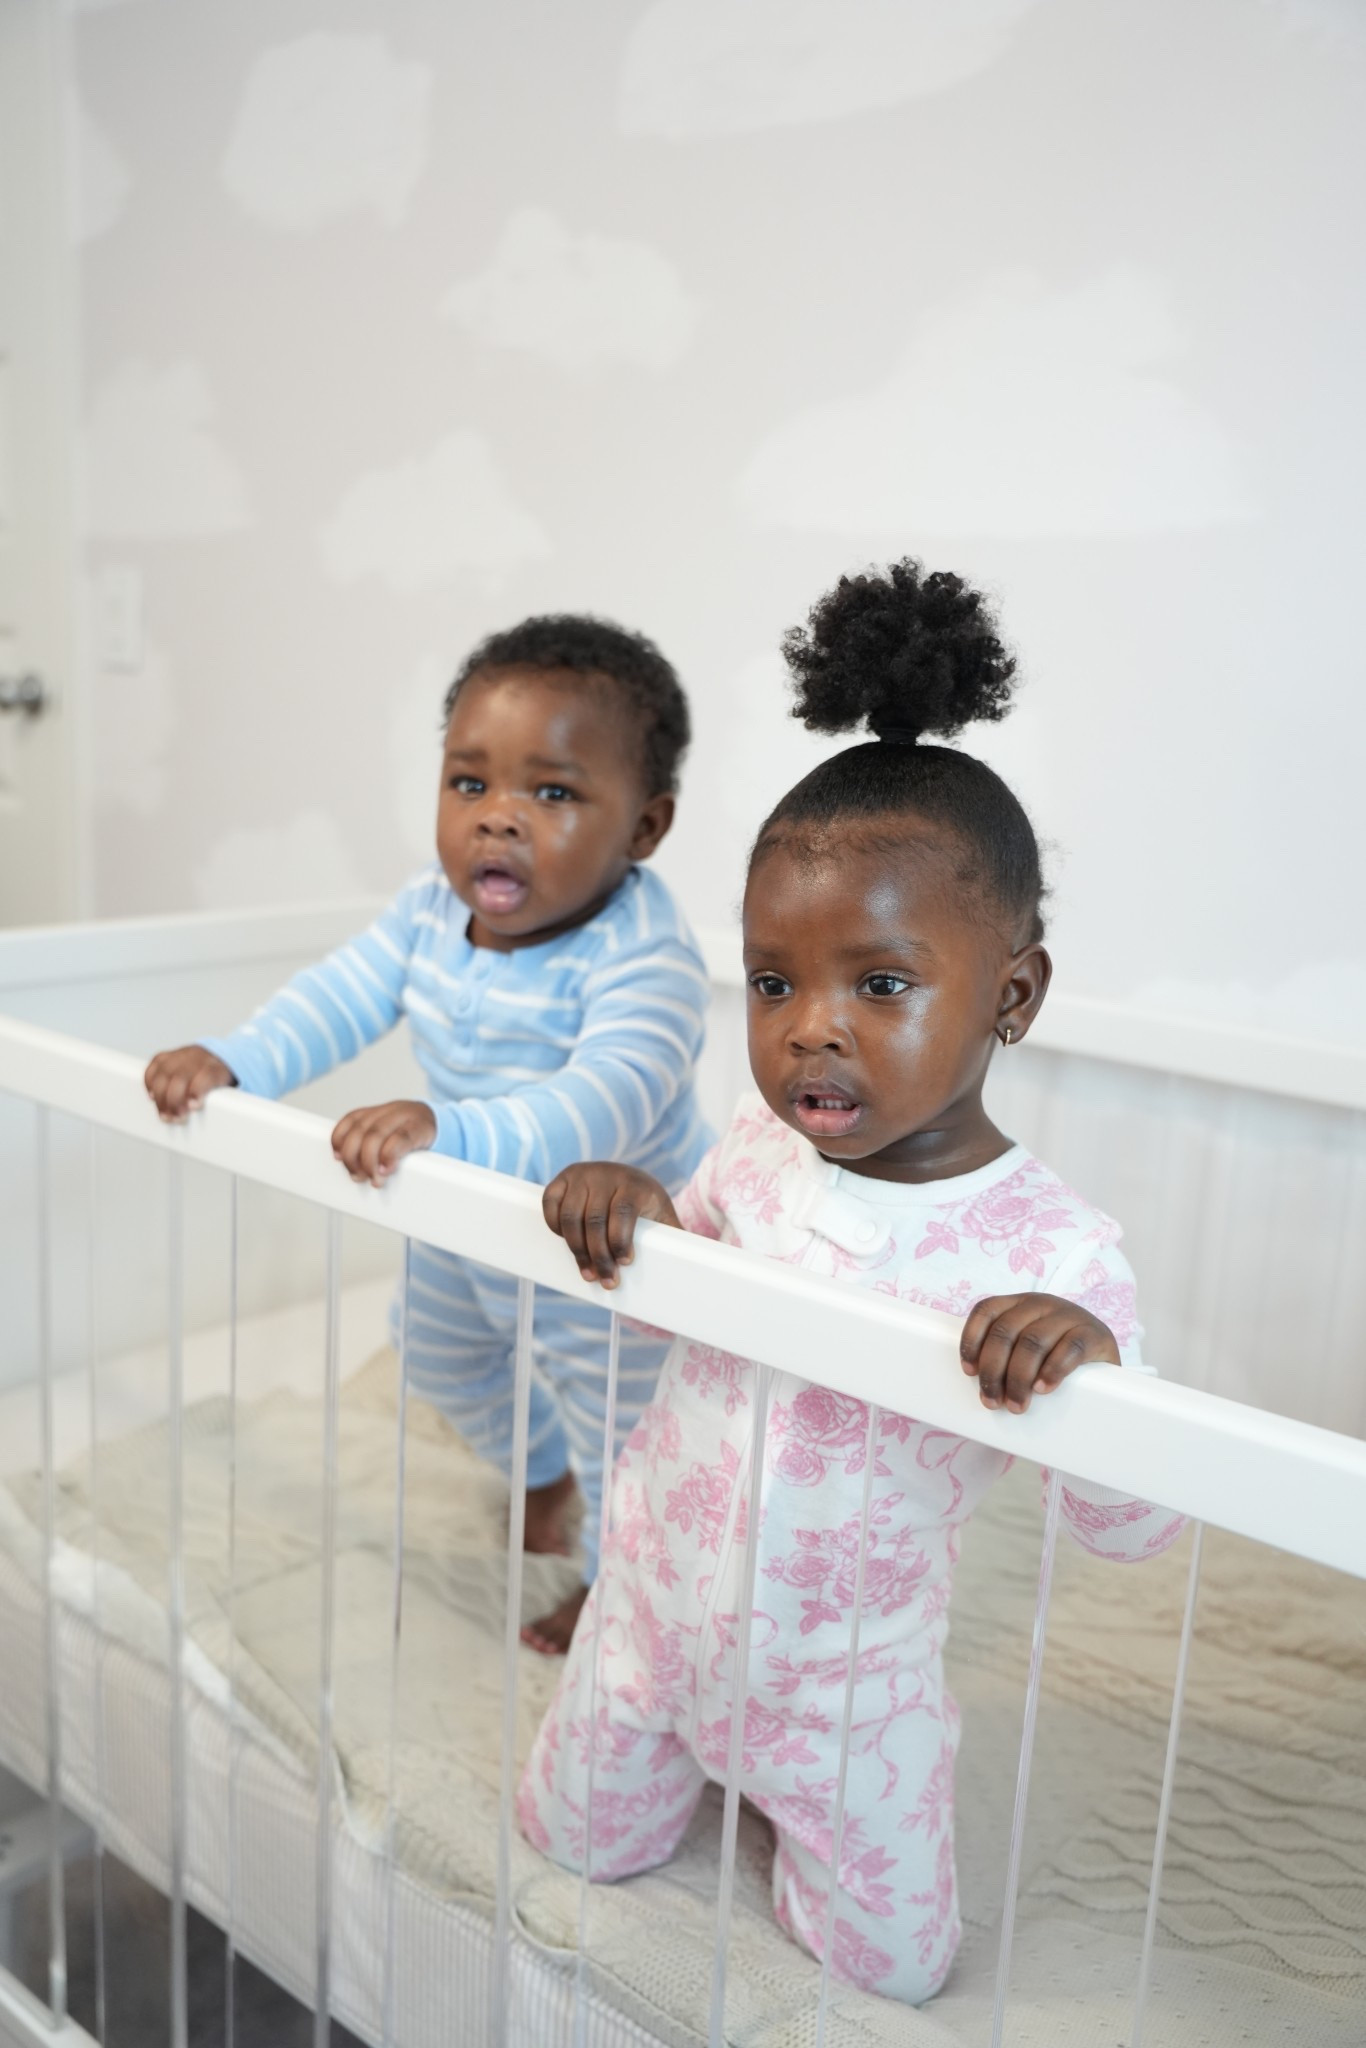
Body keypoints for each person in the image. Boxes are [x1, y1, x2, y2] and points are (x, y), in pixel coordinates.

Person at [520, 562, 1184, 2000]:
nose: (810, 1030)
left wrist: (1088, 1371)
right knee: (568, 1841)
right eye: (772, 984)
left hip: (843, 1690)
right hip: (646, 1608)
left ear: (1011, 994)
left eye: (878, 986)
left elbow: (1133, 1531)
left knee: (892, 1967)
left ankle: (777, 1808)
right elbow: (669, 1270)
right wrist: (631, 1210)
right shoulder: (754, 1151)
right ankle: (662, 1758)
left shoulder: (1052, 1258)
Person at [144, 614, 711, 1654]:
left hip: (609, 1246)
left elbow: (603, 1099)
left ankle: (614, 1584)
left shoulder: (648, 956)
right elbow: (337, 997)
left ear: (644, 826)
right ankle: (542, 1473)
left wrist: (445, 1126)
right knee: (439, 1353)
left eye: (552, 792)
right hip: (469, 1209)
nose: (498, 819)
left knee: (626, 1427)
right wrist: (239, 1060)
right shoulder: (420, 913)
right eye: (469, 783)